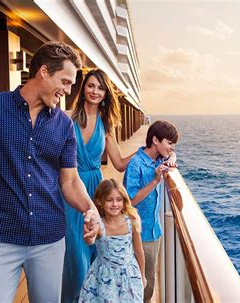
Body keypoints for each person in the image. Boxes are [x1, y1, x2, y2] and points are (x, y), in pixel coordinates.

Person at [0, 41, 100, 303]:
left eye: (72, 85)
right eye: (66, 81)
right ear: (44, 71)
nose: (69, 91)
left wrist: (89, 208)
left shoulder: (64, 125)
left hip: (49, 238)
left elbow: (70, 180)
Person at [62, 68, 135, 301]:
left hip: (95, 189)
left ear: (105, 94)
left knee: (93, 248)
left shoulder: (106, 125)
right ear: (82, 88)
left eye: (100, 88)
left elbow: (120, 164)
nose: (95, 91)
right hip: (68, 188)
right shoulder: (66, 117)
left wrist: (149, 152)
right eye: (91, 85)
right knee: (73, 249)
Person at [123, 120, 179, 302]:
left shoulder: (160, 158)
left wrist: (171, 160)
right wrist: (154, 181)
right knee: (138, 282)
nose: (171, 148)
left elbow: (174, 156)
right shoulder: (136, 164)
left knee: (150, 281)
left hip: (155, 231)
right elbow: (130, 200)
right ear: (155, 140)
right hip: (139, 234)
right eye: (169, 143)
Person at [79, 179, 145, 302]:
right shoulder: (99, 224)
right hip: (104, 277)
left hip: (129, 275)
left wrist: (142, 275)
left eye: (119, 200)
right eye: (109, 200)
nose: (115, 204)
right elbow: (90, 242)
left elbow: (138, 250)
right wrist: (88, 233)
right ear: (99, 201)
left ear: (124, 200)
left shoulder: (131, 221)